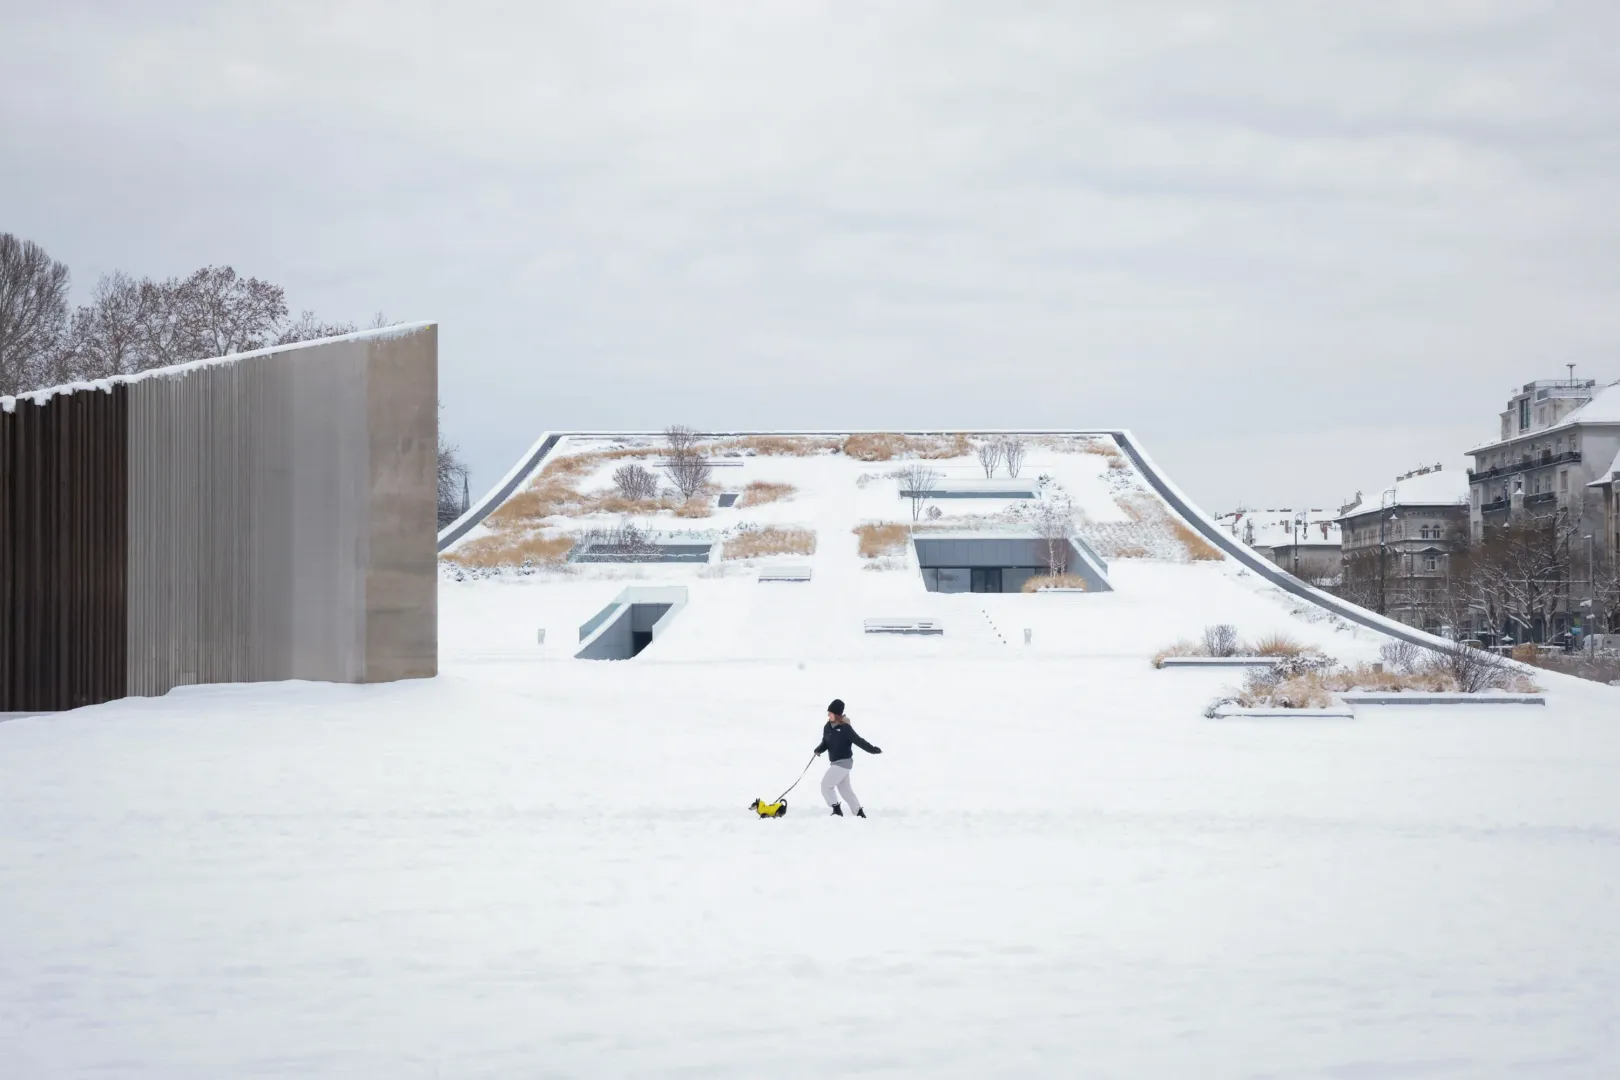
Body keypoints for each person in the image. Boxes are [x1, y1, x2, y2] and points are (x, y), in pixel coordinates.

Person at [814, 698, 881, 817]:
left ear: (837, 714)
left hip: (844, 763)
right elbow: (825, 742)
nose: (828, 715)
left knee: (826, 785)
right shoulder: (827, 727)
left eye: (830, 713)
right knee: (845, 790)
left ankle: (836, 809)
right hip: (835, 763)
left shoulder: (845, 729)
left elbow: (859, 741)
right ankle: (858, 812)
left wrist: (872, 749)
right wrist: (819, 749)